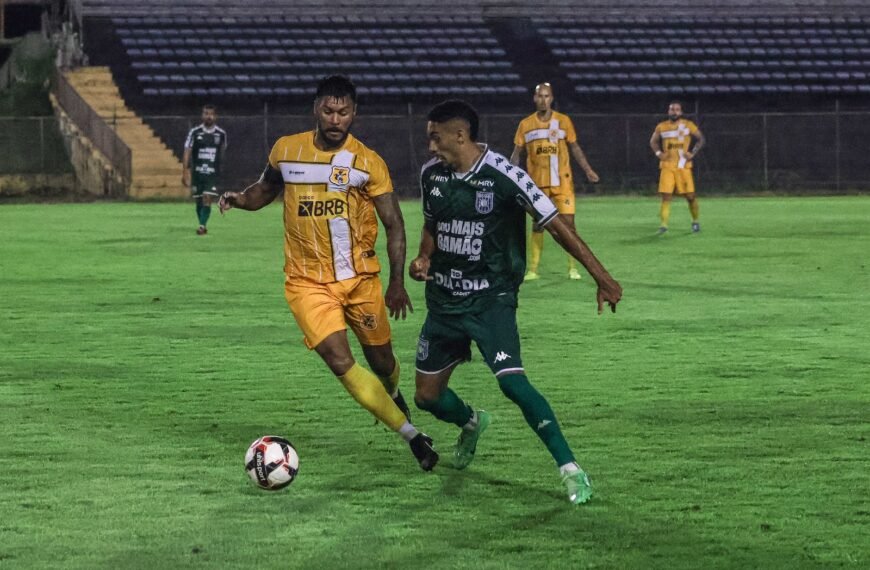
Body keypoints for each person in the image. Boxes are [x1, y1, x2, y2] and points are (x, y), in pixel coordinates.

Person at [219, 75, 438, 471]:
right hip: (306, 283)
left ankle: (391, 397)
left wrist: (396, 282)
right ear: (316, 109)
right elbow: (264, 190)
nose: (336, 118)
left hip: (359, 280)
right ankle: (413, 437)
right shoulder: (287, 150)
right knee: (340, 362)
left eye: (344, 111)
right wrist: (240, 199)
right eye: (328, 110)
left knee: (384, 363)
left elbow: (394, 223)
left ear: (354, 113)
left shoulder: (368, 162)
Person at [409, 99, 622, 504]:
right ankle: (472, 422)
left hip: (492, 300)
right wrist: (424, 257)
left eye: (436, 138)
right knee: (427, 397)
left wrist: (601, 276)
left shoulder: (505, 176)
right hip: (444, 302)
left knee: (513, 383)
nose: (431, 147)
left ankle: (571, 470)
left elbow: (556, 224)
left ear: (460, 134)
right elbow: (432, 225)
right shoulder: (431, 176)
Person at [510, 82, 599, 281]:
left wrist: (588, 169)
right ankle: (533, 270)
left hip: (563, 183)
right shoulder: (525, 124)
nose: (543, 100)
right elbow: (516, 154)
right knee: (538, 225)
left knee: (568, 226)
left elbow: (574, 147)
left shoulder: (564, 121)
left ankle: (572, 268)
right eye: (540, 96)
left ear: (552, 98)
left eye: (547, 96)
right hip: (537, 185)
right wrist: (510, 176)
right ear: (534, 98)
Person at [649, 100, 706, 234]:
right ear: (668, 111)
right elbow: (653, 141)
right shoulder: (662, 126)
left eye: (676, 109)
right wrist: (659, 153)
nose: (673, 112)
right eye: (671, 109)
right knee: (666, 196)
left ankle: (695, 222)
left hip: (683, 166)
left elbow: (701, 139)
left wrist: (692, 153)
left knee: (690, 196)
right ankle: (663, 226)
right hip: (667, 166)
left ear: (681, 112)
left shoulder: (688, 125)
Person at [183, 104, 228, 235]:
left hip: (211, 173)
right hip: (197, 173)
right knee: (198, 200)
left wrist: (220, 169)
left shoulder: (221, 134)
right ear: (202, 115)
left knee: (207, 197)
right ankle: (201, 222)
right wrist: (185, 170)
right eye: (206, 113)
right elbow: (187, 150)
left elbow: (223, 152)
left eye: (211, 114)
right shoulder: (195, 132)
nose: (209, 116)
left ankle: (202, 226)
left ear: (215, 116)